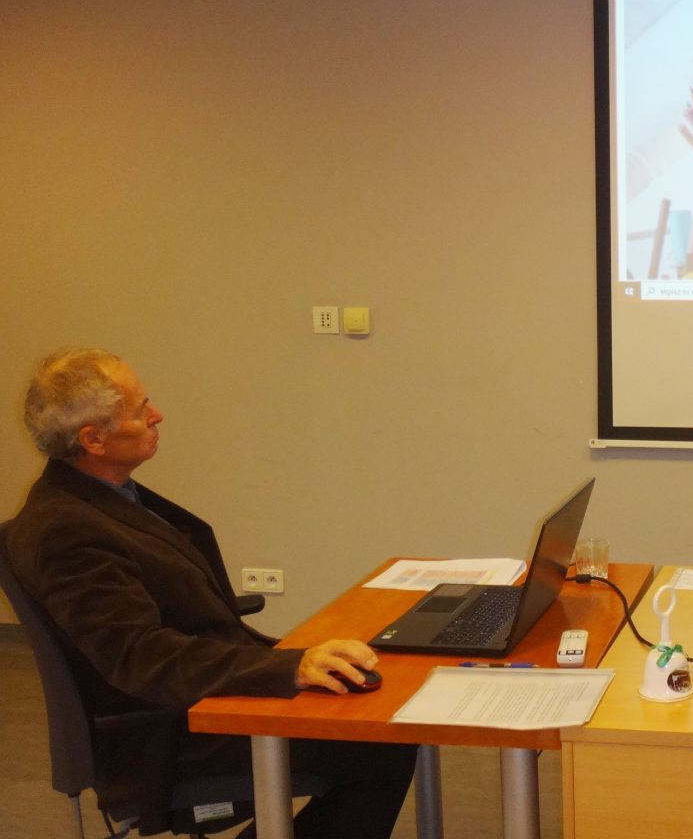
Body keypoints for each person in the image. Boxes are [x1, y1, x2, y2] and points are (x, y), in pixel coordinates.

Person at [6, 347, 417, 837]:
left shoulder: (104, 498)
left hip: (195, 700)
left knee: (374, 707)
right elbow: (140, 656)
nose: (157, 415)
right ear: (93, 439)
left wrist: (293, 661)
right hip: (169, 733)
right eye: (140, 410)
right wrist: (288, 668)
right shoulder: (66, 530)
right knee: (377, 741)